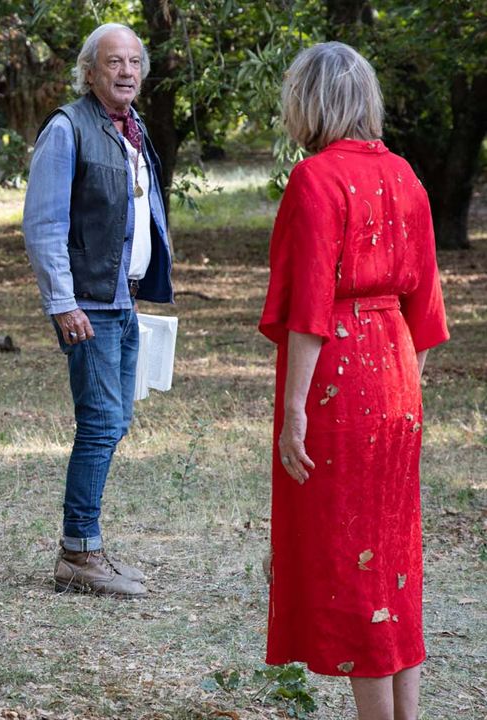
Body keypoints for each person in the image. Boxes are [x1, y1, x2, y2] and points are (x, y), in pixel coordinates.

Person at [259, 42, 448, 720]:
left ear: (308, 102)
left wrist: (293, 411)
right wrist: (402, 388)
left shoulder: (315, 178)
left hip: (339, 373)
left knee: (353, 563)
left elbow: (308, 308)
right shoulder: (406, 176)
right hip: (397, 371)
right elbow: (424, 309)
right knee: (393, 560)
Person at [22, 23, 173, 597]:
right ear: (90, 71)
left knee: (113, 422)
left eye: (135, 61)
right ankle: (78, 553)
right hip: (87, 305)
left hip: (122, 301)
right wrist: (63, 304)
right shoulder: (67, 128)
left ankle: (85, 548)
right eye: (114, 62)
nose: (127, 71)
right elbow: (42, 226)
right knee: (101, 424)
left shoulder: (133, 130)